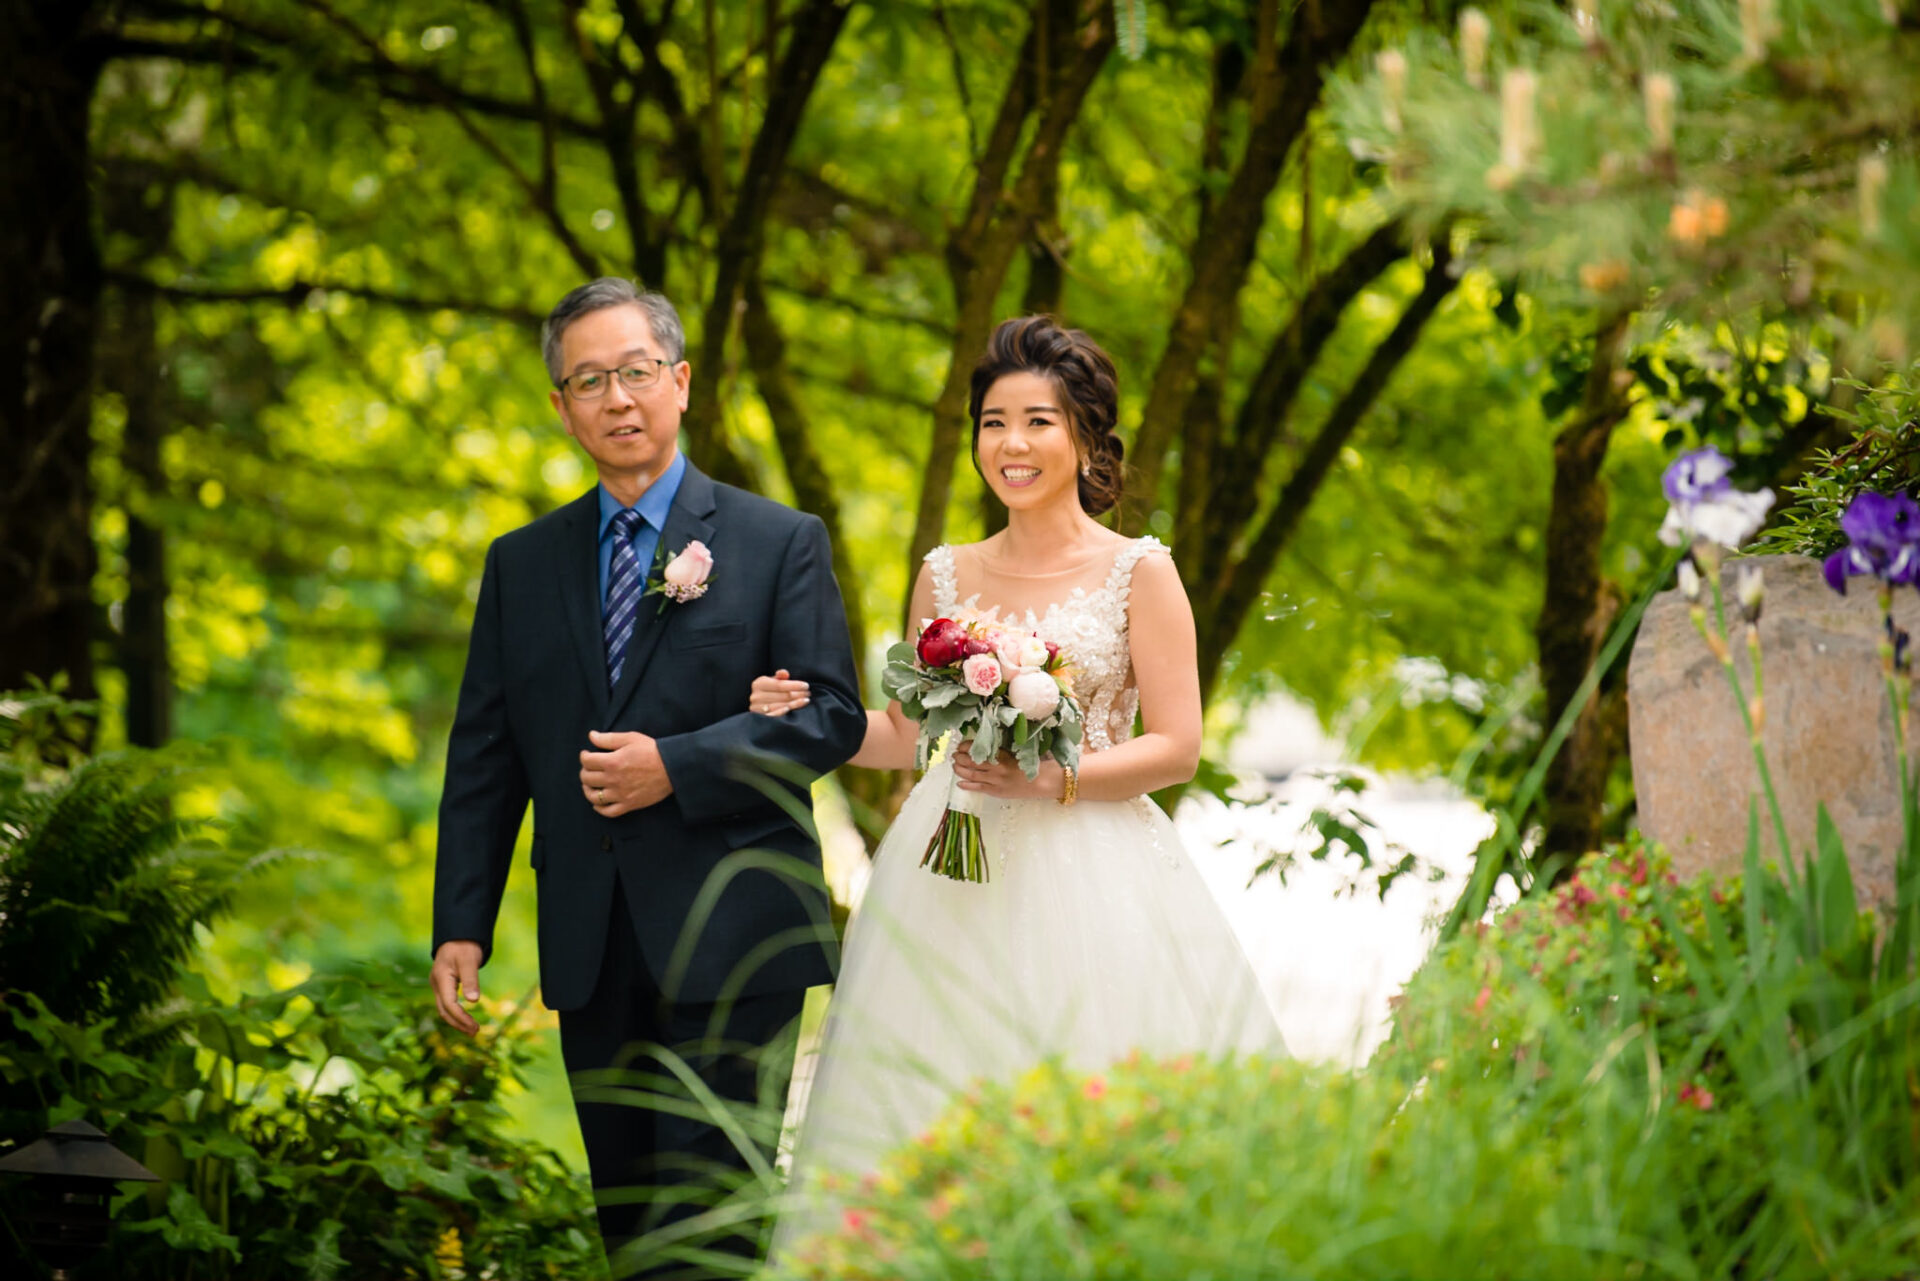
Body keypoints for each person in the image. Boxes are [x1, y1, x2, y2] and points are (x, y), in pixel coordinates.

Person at [747, 315, 1286, 1255]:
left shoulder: (1138, 570)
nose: (1013, 444)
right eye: (994, 423)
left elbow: (1179, 745)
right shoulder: (945, 574)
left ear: (1083, 434)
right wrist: (806, 724)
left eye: (1037, 421)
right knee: (928, 1099)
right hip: (946, 871)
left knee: (1096, 1101)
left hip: (1098, 871)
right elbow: (906, 736)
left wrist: (1053, 777)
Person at [428, 278, 868, 1275]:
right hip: (592, 935)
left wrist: (678, 764)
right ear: (562, 406)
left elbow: (831, 716)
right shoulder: (521, 565)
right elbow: (486, 757)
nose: (617, 398)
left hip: (740, 927)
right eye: (590, 380)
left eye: (636, 372)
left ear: (679, 383)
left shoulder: (775, 541)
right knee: (628, 1222)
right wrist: (463, 920)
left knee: (714, 1220)